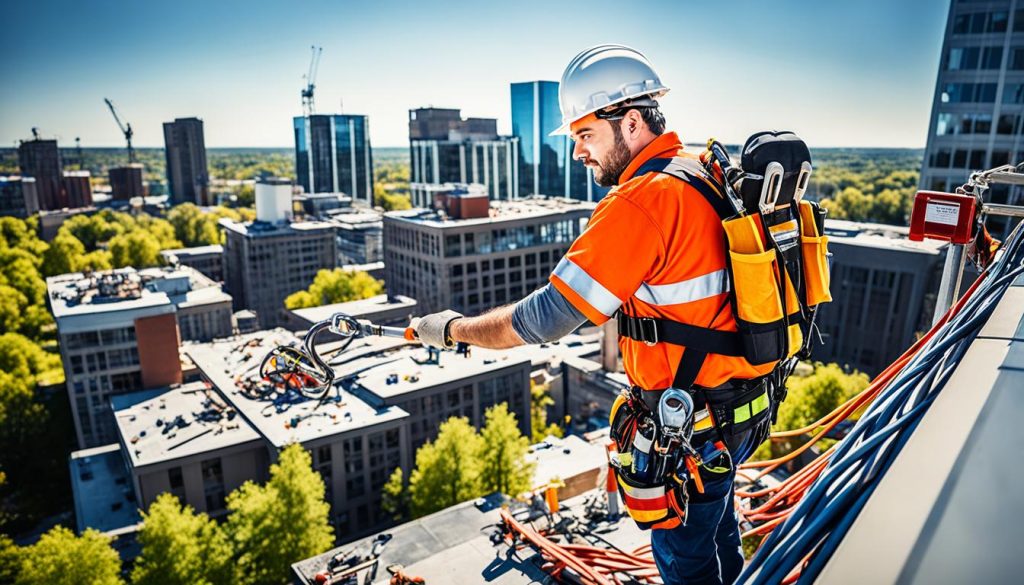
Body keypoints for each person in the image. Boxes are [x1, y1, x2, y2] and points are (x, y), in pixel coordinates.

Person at [413, 44, 762, 585]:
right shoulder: (702, 171)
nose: (577, 152)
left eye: (584, 135)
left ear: (630, 122)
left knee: (688, 565)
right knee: (718, 542)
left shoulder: (643, 201)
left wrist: (454, 330)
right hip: (740, 410)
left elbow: (546, 318)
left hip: (693, 428)